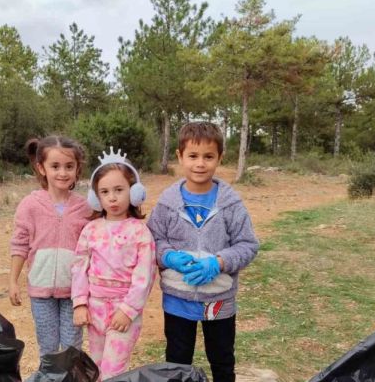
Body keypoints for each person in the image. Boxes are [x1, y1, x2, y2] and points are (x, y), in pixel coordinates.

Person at [147, 122, 259, 382]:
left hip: (218, 300)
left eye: (208, 157)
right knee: (177, 362)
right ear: (180, 157)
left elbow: (248, 244)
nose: (200, 164)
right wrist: (168, 256)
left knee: (222, 360)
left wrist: (219, 262)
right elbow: (153, 239)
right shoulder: (167, 203)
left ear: (220, 158)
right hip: (177, 298)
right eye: (193, 156)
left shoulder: (231, 204)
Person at [71, 147, 156, 380]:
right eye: (105, 192)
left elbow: (144, 277)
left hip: (124, 310)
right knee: (96, 368)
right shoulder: (90, 230)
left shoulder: (140, 232)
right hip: (95, 309)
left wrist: (128, 311)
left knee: (113, 371)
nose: (112, 197)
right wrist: (80, 303)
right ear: (95, 197)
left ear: (134, 192)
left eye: (119, 190)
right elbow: (79, 267)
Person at [8, 135, 91, 357]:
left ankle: (71, 375)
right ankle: (50, 374)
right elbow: (20, 244)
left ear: (77, 169)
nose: (62, 172)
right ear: (41, 168)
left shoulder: (85, 208)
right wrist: (13, 281)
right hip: (40, 290)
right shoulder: (30, 205)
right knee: (48, 346)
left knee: (72, 346)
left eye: (69, 166)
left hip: (74, 292)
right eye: (55, 166)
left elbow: (93, 248)